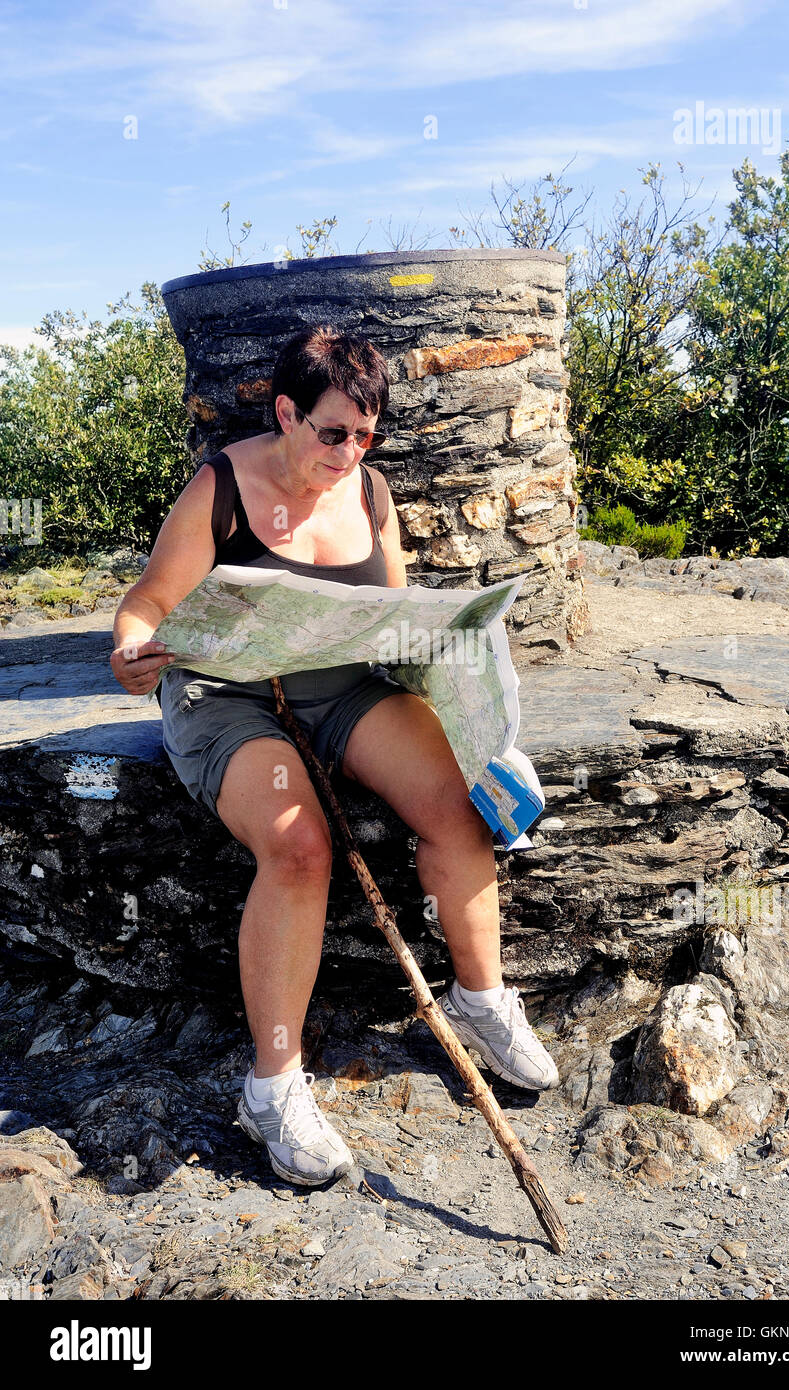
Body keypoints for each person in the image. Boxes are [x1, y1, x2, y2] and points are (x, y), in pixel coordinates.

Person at [110, 324, 559, 1188]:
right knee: (299, 846)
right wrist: (133, 651)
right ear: (285, 412)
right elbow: (147, 606)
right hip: (226, 692)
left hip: (343, 685)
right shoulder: (223, 489)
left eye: (365, 433)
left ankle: (479, 1004)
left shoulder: (371, 494)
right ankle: (272, 1087)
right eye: (331, 432)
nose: (349, 451)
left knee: (461, 804)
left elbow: (391, 620)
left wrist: (468, 710)